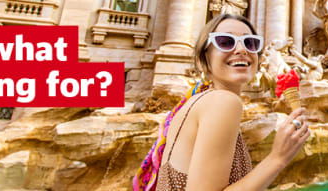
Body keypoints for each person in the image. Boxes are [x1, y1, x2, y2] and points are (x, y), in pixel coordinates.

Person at [133, 14, 311, 191]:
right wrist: (278, 158)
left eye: (250, 43)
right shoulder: (223, 101)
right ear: (202, 61)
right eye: (225, 42)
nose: (242, 49)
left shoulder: (200, 100)